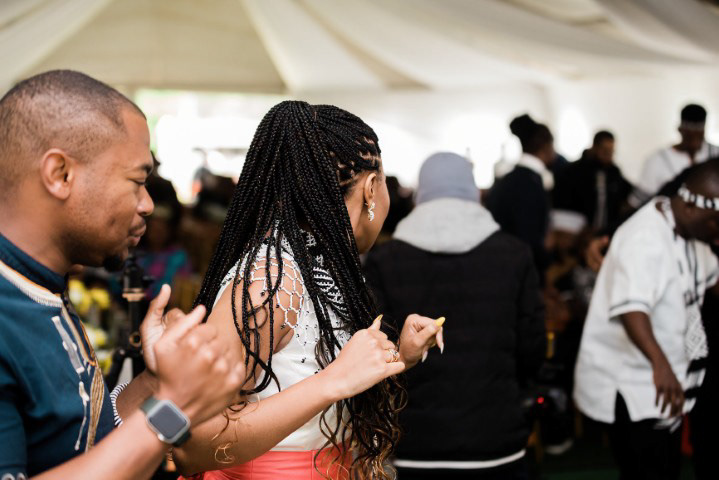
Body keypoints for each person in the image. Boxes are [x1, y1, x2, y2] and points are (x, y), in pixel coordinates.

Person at [171, 101, 443, 479]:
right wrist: (332, 382)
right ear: (370, 189)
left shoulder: (317, 266)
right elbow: (192, 444)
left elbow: (299, 375)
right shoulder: (269, 283)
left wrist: (398, 357)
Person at [0, 70, 245, 479]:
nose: (148, 204)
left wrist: (156, 382)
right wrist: (175, 407)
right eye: (137, 181)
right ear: (60, 174)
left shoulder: (41, 289)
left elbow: (89, 444)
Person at [364, 152, 545, 479]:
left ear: (420, 194)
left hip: (415, 439)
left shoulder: (384, 260)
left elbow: (380, 350)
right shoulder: (514, 254)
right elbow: (531, 346)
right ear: (473, 191)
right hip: (497, 433)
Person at [573, 158, 719, 480]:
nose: (717, 234)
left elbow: (711, 280)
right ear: (691, 208)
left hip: (669, 378)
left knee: (666, 465)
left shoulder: (693, 230)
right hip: (637, 381)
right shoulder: (644, 237)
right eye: (715, 224)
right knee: (647, 468)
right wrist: (660, 364)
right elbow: (632, 309)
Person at [487, 114, 555, 279]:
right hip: (518, 272)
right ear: (546, 147)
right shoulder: (529, 184)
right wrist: (546, 265)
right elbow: (527, 236)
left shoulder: (511, 179)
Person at [631, 104, 719, 207]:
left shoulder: (715, 153)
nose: (694, 138)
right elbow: (638, 201)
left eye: (698, 133)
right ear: (680, 130)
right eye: (690, 134)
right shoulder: (657, 160)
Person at [553, 130, 633, 233]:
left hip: (605, 232)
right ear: (595, 147)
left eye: (611, 151)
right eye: (605, 150)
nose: (608, 155)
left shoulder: (614, 173)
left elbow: (629, 194)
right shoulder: (575, 171)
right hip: (577, 232)